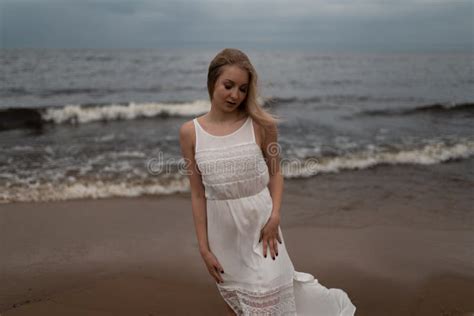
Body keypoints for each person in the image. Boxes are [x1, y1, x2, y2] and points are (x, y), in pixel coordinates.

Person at [179, 48, 356, 315]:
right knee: (239, 306)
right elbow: (197, 194)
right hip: (223, 239)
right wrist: (204, 249)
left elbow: (275, 172)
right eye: (228, 86)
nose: (235, 95)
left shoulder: (261, 126)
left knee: (269, 301)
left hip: (264, 231)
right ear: (211, 82)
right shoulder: (190, 133)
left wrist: (274, 216)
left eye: (242, 89)